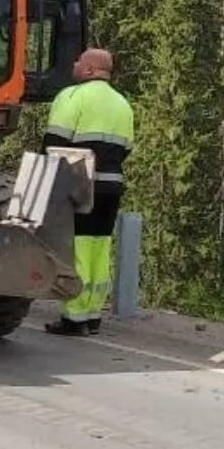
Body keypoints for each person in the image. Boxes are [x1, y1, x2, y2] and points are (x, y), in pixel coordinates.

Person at [43, 48, 135, 335]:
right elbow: (127, 148)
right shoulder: (122, 104)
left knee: (78, 248)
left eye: (79, 60)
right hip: (112, 184)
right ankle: (93, 314)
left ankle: (74, 316)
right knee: (100, 246)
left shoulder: (73, 96)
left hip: (79, 185)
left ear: (90, 69)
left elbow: (53, 143)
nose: (74, 63)